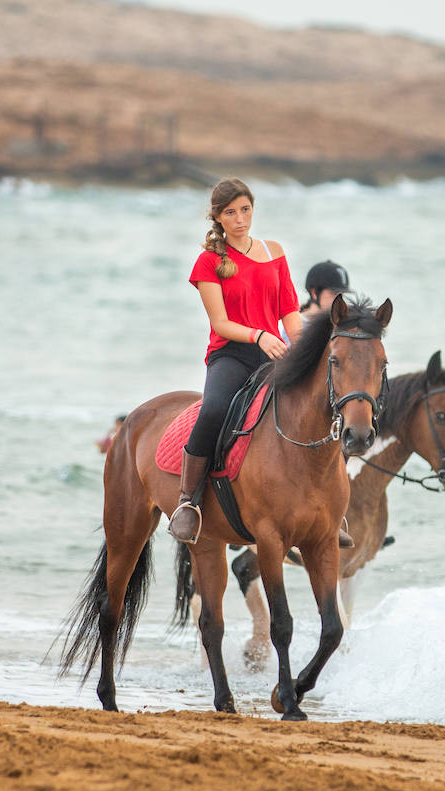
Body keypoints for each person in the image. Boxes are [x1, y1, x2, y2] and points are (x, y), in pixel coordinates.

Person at [170, 177, 307, 545]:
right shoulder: (209, 261)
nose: (240, 219)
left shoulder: (274, 251)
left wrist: (303, 349)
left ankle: (329, 507)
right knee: (214, 409)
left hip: (275, 352)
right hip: (231, 353)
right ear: (218, 217)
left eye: (245, 210)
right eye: (230, 213)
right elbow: (220, 323)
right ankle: (188, 502)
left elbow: (289, 311)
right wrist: (259, 335)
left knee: (317, 402)